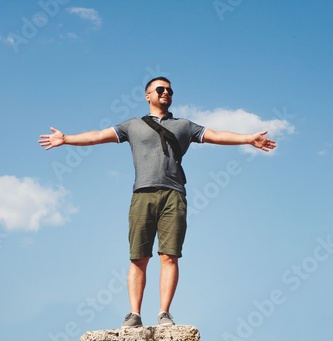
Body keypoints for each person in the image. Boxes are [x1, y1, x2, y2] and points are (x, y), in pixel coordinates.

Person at [39, 76, 276, 328]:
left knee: (169, 256)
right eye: (160, 89)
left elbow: (216, 135)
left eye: (170, 90)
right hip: (142, 194)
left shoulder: (184, 125)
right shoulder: (132, 125)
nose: (166, 93)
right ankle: (134, 314)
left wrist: (248, 139)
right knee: (138, 258)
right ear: (147, 95)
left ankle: (164, 313)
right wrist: (66, 139)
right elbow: (97, 135)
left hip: (174, 195)